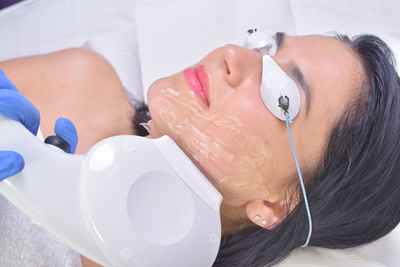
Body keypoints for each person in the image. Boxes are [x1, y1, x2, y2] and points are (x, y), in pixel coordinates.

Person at [0, 32, 399, 267]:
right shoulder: (80, 83)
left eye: (282, 94)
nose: (234, 56)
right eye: (265, 48)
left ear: (276, 205)